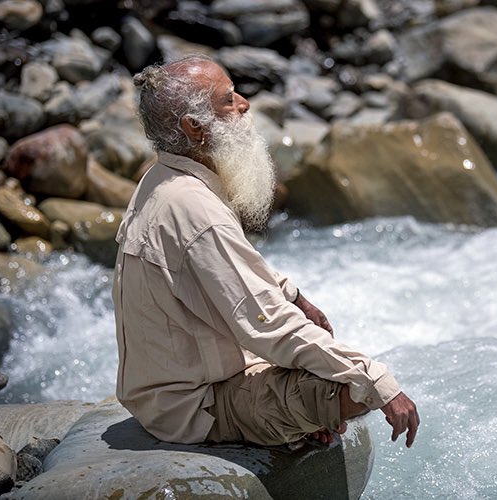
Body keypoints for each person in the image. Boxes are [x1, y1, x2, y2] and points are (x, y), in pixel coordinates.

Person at [111, 55, 419, 449]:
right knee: (348, 391)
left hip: (170, 390)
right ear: (195, 128)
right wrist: (380, 383)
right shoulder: (194, 210)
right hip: (195, 406)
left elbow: (227, 270)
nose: (244, 104)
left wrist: (294, 295)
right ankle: (279, 427)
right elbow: (269, 324)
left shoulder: (163, 178)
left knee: (324, 361)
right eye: (228, 100)